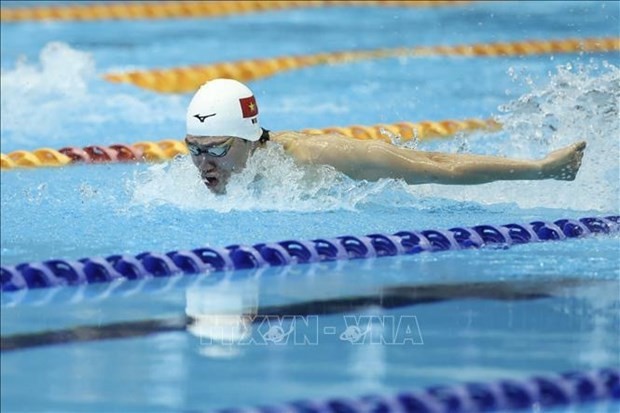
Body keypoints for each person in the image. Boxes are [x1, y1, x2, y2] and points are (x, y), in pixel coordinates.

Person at [185, 78, 586, 194]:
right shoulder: (210, 174)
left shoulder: (315, 157)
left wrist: (541, 169)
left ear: (250, 139)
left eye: (217, 149)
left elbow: (437, 167)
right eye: (194, 150)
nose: (204, 164)